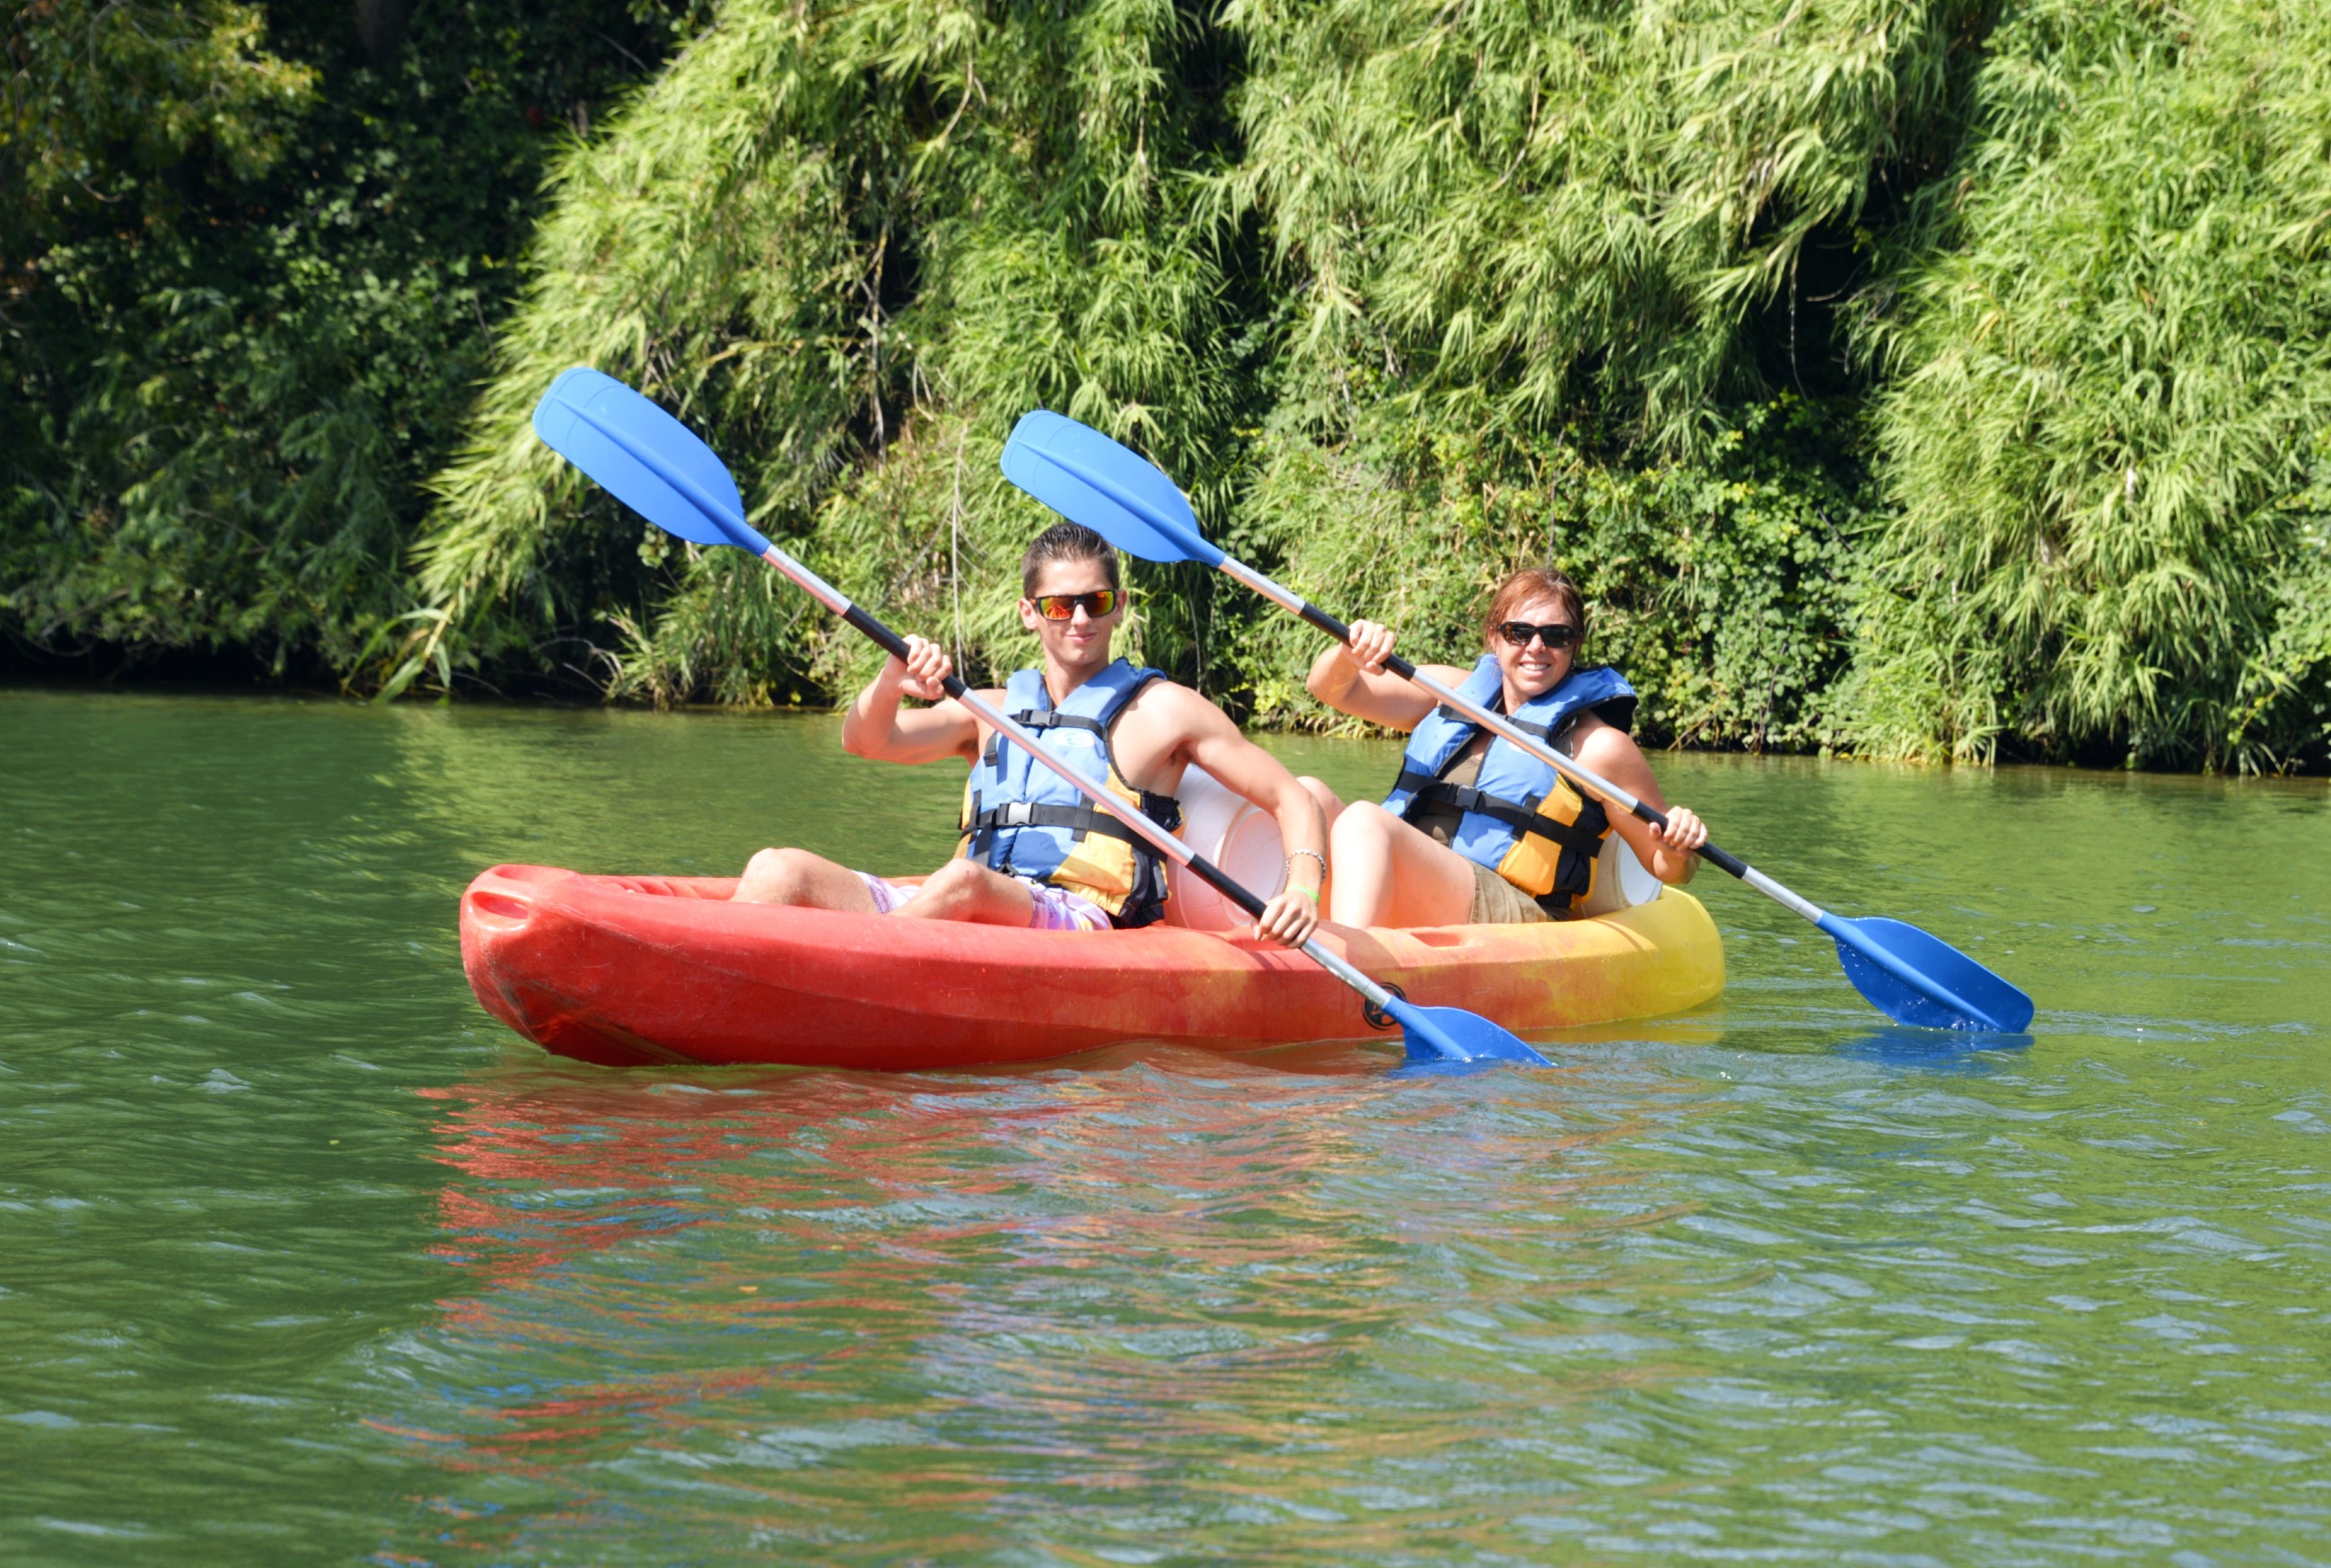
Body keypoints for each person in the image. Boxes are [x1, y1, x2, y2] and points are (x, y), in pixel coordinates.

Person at [732, 521, 1326, 946]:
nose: (1081, 620)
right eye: (1061, 605)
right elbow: (865, 741)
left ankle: (839, 977)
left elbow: (1289, 796)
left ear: (1119, 605)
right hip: (969, 900)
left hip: (1082, 918)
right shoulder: (987, 711)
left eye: (1095, 601)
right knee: (776, 868)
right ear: (1029, 611)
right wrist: (890, 679)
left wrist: (1301, 889)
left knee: (964, 883)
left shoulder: (1166, 710)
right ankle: (728, 979)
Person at [1299, 566, 1708, 928]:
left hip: (1514, 905)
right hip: (1425, 878)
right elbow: (1331, 689)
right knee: (1307, 797)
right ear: (1494, 636)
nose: (1536, 647)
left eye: (1556, 635)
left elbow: (1668, 868)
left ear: (1574, 645)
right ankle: (1287, 931)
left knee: (1364, 821)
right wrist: (1348, 655)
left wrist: (1678, 848)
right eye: (1519, 632)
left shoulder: (1598, 747)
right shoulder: (1452, 693)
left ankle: (1350, 969)